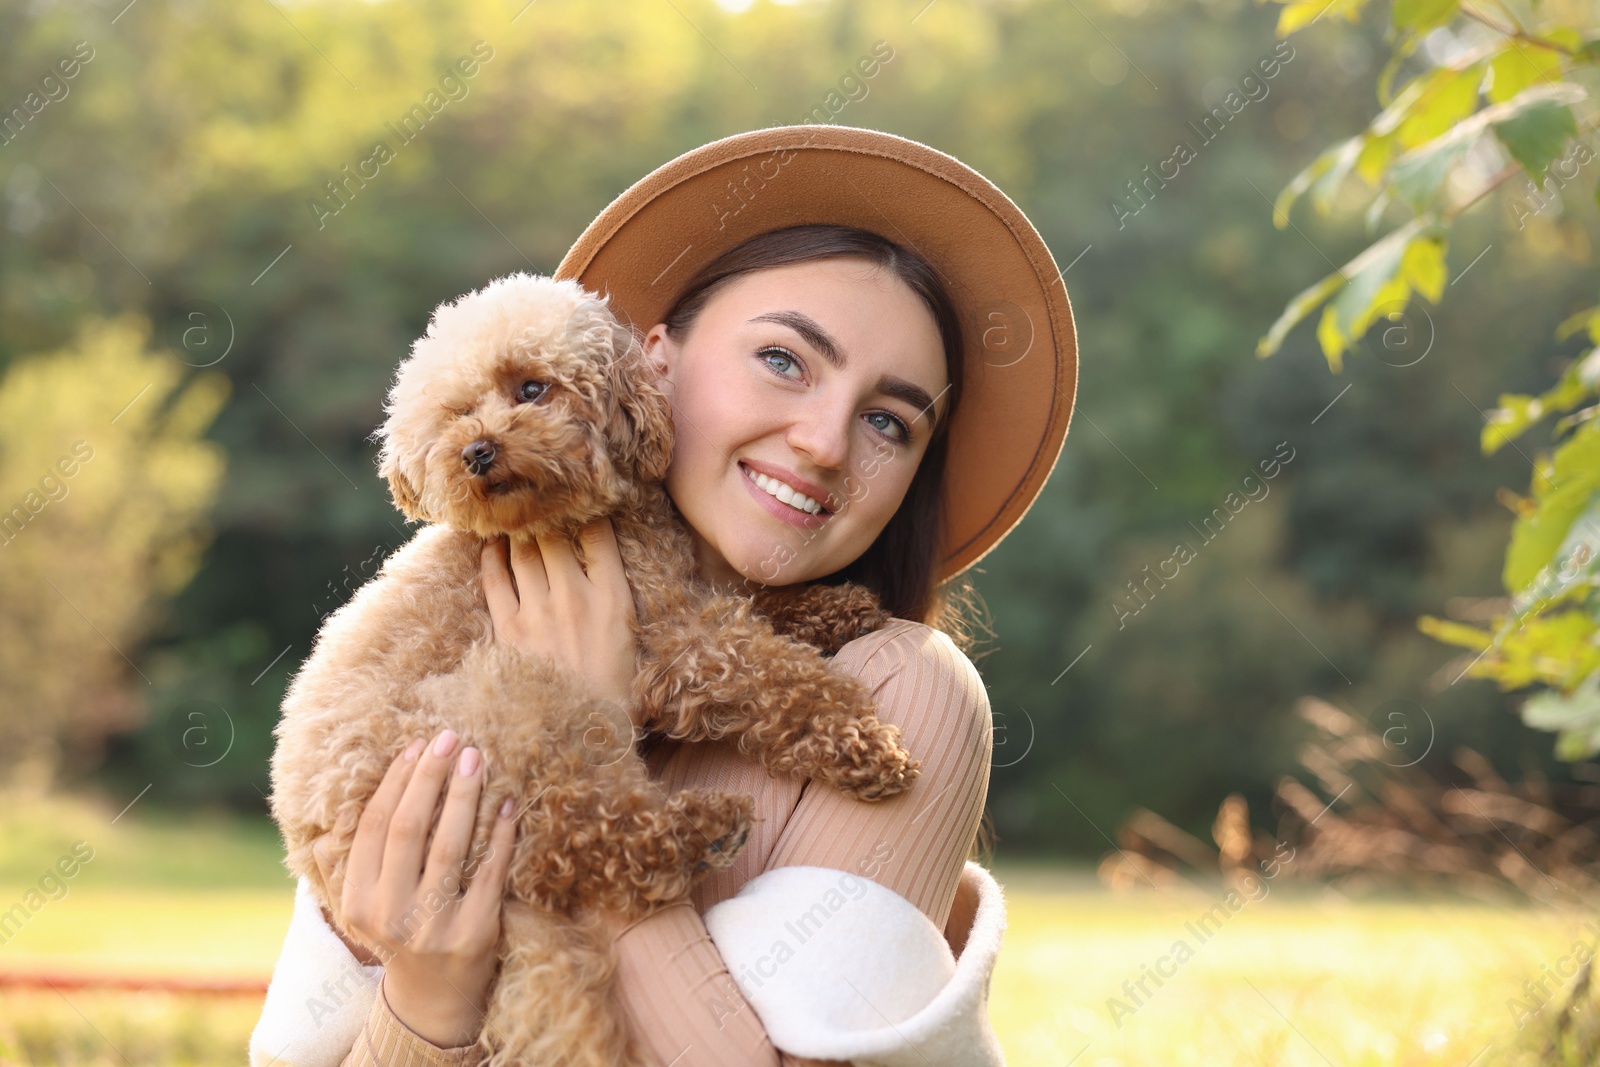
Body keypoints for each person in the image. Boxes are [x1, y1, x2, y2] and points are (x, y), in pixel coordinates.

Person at [249, 124, 1078, 1067]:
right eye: (782, 359)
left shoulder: (907, 690)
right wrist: (426, 994)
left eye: (888, 419)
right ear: (653, 366)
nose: (823, 441)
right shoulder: (472, 608)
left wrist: (590, 731)